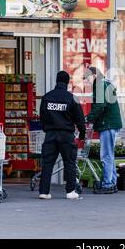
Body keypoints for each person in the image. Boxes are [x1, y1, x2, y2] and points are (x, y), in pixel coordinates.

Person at [39, 71, 86, 200]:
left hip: (51, 134)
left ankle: (44, 191)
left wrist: (46, 129)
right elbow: (80, 119)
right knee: (69, 162)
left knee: (47, 163)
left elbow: (42, 117)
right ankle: (70, 191)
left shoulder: (47, 97)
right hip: (66, 135)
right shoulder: (71, 98)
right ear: (67, 82)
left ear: (56, 81)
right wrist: (82, 134)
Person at [84, 67, 123, 194]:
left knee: (106, 155)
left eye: (87, 77)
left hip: (107, 124)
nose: (86, 81)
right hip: (110, 123)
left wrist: (88, 118)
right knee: (109, 155)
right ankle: (111, 182)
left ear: (94, 75)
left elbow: (100, 105)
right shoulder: (104, 84)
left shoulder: (100, 85)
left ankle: (107, 183)